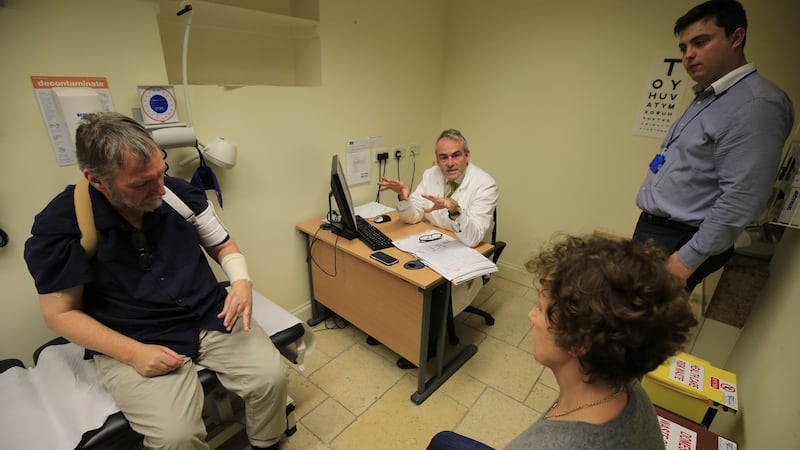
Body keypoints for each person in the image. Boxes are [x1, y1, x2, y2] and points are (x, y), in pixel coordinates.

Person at [24, 112, 287, 450]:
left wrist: (240, 282)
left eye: (160, 173)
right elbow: (58, 313)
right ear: (97, 180)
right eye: (141, 184)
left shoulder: (178, 196)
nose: (160, 188)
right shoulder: (63, 227)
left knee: (270, 379)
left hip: (209, 313)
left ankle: (267, 443)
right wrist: (133, 354)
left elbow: (223, 245)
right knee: (175, 438)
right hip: (133, 336)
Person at [428, 235, 698, 450]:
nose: (531, 316)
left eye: (540, 307)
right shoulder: (628, 387)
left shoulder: (550, 444)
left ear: (579, 341)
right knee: (443, 442)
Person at [633, 0, 794, 293]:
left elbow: (743, 196)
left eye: (700, 42)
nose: (688, 55)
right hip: (658, 230)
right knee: (628, 315)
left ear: (736, 37)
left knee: (640, 326)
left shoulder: (757, 104)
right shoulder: (711, 96)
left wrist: (685, 260)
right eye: (683, 47)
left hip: (680, 240)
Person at [377, 128, 498, 368]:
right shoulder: (431, 174)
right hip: (435, 242)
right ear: (437, 159)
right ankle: (392, 330)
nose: (450, 163)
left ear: (467, 155)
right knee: (399, 269)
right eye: (444, 157)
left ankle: (427, 348)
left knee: (431, 287)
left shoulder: (485, 185)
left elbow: (474, 238)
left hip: (464, 249)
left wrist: (454, 210)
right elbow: (414, 216)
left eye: (456, 155)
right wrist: (404, 197)